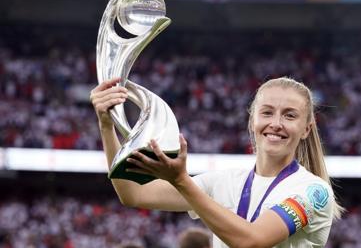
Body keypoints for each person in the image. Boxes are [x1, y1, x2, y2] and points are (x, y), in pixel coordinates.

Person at [90, 76, 343, 248]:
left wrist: (181, 181)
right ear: (252, 120)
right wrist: (106, 124)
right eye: (267, 112)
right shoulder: (225, 180)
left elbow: (252, 241)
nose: (275, 123)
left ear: (307, 129)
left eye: (289, 115)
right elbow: (133, 193)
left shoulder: (313, 191)